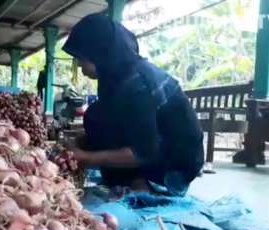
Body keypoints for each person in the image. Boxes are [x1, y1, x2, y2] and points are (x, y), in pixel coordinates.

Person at [62, 14, 204, 197]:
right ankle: (130, 177)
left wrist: (85, 158)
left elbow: (143, 152)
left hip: (175, 165)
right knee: (95, 115)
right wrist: (80, 142)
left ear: (101, 53)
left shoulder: (138, 85)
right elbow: (113, 122)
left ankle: (143, 182)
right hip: (152, 143)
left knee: (99, 119)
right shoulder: (115, 75)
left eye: (83, 59)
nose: (81, 67)